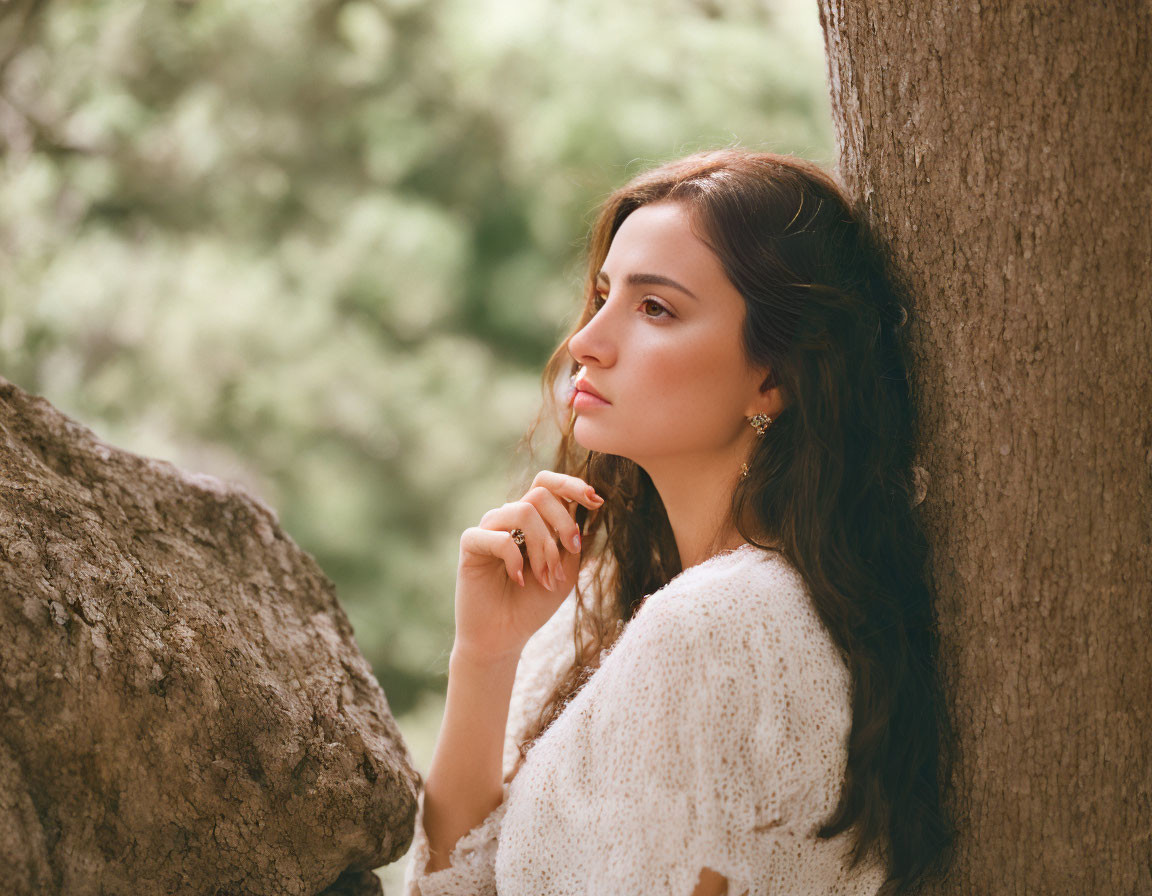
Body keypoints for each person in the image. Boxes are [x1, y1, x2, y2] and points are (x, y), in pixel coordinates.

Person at [403, 148, 955, 896]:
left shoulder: (719, 626)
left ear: (774, 377)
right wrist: (485, 656)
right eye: (601, 296)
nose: (586, 342)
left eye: (655, 308)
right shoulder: (615, 603)